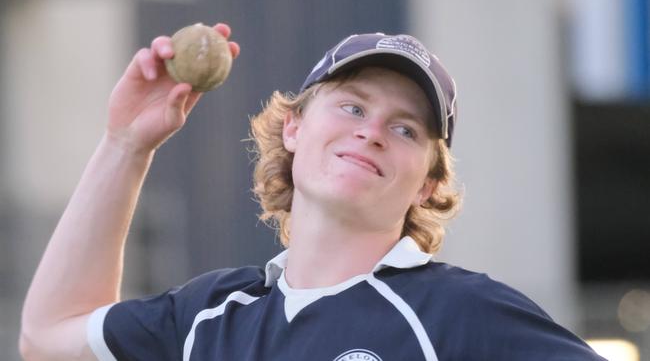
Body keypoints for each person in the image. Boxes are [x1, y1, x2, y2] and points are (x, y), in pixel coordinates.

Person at [19, 23, 605, 361]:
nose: (371, 132)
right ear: (293, 129)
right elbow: (47, 340)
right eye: (352, 106)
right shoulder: (211, 315)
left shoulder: (463, 314)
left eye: (405, 129)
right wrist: (126, 145)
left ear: (427, 184)